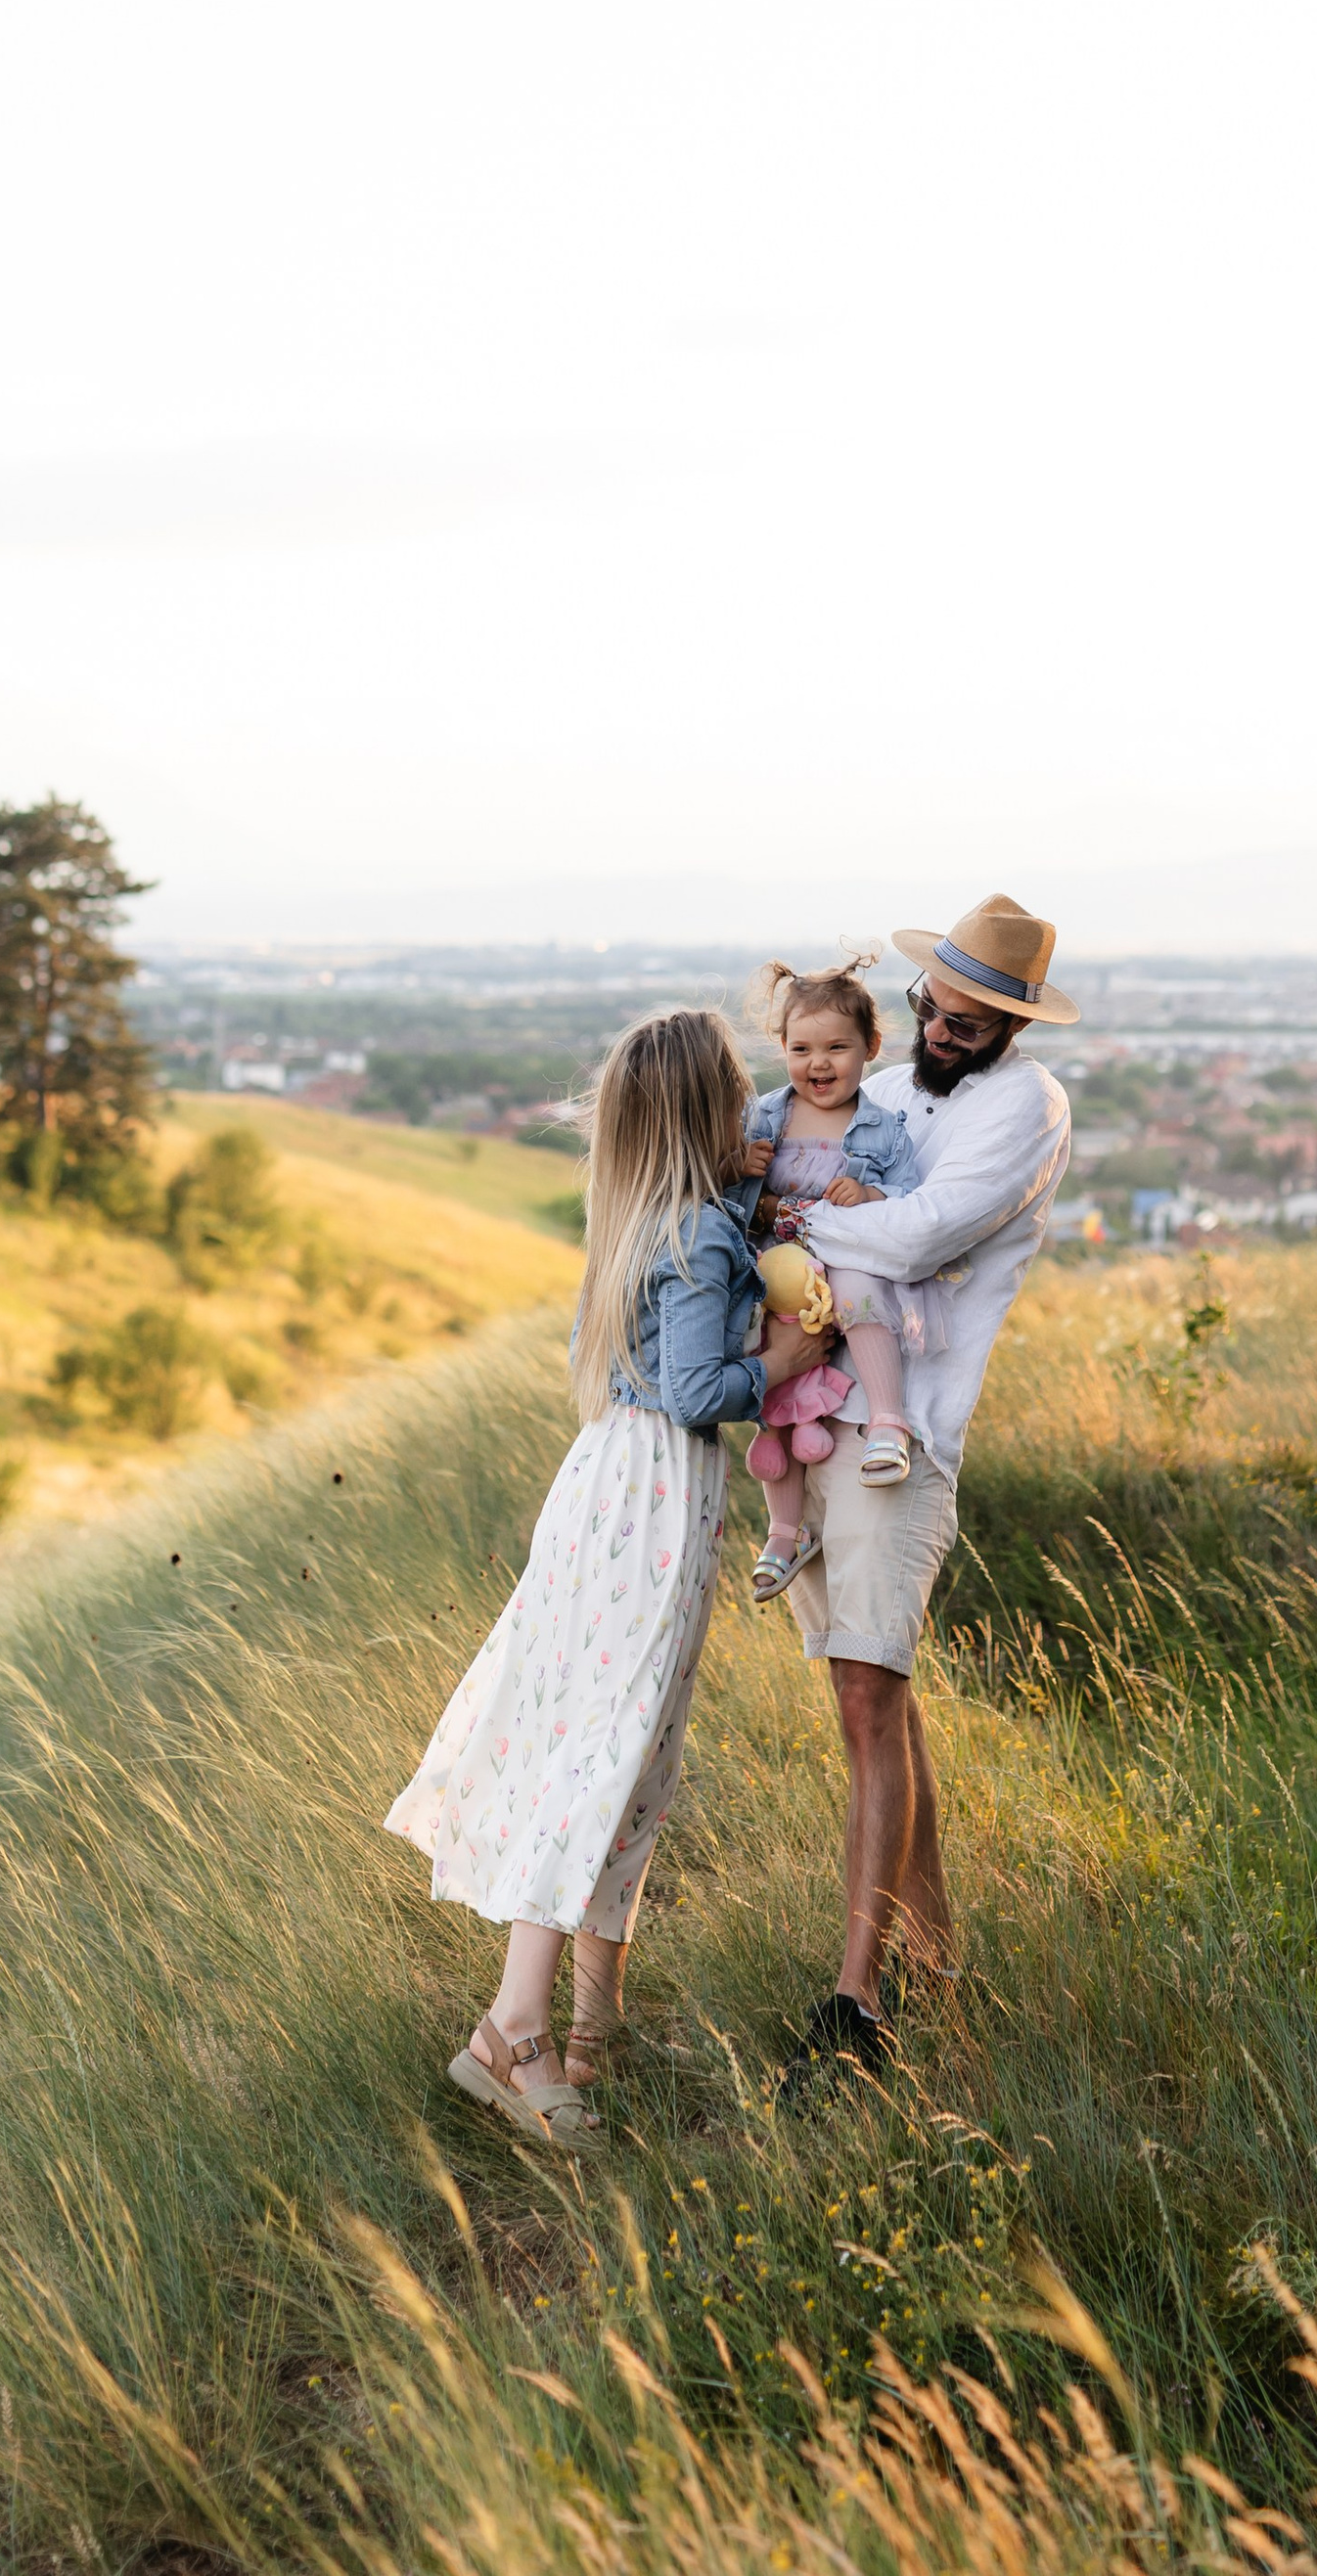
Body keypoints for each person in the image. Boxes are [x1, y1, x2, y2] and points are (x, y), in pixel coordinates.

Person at [381, 1005, 808, 2142]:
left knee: (623, 1757)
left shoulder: (646, 1217)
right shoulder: (701, 1236)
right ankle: (512, 2029)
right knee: (605, 1755)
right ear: (707, 1111)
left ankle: (589, 2028)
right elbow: (694, 1392)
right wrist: (792, 1351)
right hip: (654, 1498)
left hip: (606, 1490)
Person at [778, 893, 1076, 2095]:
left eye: (975, 1017)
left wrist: (812, 1233)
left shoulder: (1026, 1105)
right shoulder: (890, 1095)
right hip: (816, 1423)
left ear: (1011, 1022)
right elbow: (818, 1199)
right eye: (934, 1007)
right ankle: (942, 1977)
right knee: (877, 1707)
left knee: (866, 1695)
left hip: (912, 1435)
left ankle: (855, 2001)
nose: (946, 1027)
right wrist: (823, 1222)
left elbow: (918, 1241)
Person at [737, 950, 943, 1604]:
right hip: (780, 1275)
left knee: (857, 1291)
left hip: (845, 1266)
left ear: (872, 1048)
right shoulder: (764, 1119)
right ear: (783, 1048)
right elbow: (731, 1204)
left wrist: (874, 1197)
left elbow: (908, 1198)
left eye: (836, 1047)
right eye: (801, 1048)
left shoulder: (882, 1129)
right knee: (774, 1391)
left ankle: (888, 1422)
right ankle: (785, 1530)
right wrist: (741, 1168)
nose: (817, 1064)